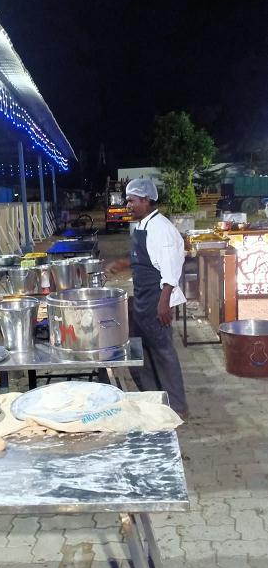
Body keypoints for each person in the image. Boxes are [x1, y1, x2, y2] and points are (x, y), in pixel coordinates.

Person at [106, 178, 188, 416]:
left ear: (146, 200)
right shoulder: (142, 225)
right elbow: (145, 259)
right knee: (141, 352)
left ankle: (178, 406)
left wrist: (163, 304)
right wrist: (123, 263)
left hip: (156, 300)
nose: (128, 205)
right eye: (128, 200)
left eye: (132, 201)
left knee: (163, 352)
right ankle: (153, 397)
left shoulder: (162, 228)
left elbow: (171, 270)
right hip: (142, 298)